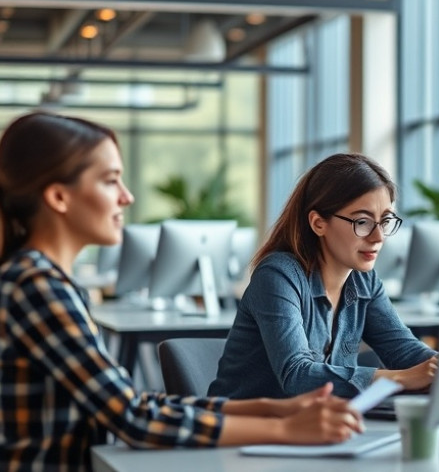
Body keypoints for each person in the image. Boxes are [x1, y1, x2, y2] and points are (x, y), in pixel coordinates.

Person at [0, 112, 363, 471]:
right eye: (111, 181)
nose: (127, 197)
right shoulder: (35, 285)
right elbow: (132, 419)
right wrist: (283, 429)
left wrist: (269, 408)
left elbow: (128, 402)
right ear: (59, 197)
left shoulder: (42, 281)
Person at [209, 153, 438, 400]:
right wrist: (401, 378)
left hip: (315, 427)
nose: (378, 237)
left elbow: (405, 351)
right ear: (318, 223)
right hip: (244, 430)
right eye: (362, 222)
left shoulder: (364, 281)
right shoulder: (278, 276)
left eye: (384, 221)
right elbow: (297, 375)